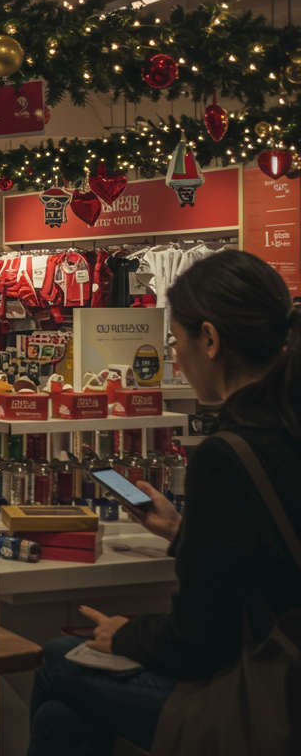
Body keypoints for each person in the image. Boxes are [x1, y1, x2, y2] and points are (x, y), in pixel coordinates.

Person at [27, 249, 301, 755]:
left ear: (211, 340)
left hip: (261, 701)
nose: (174, 357)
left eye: (176, 341)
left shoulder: (231, 452)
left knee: (59, 660)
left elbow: (198, 641)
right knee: (63, 710)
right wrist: (182, 531)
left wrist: (124, 635)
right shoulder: (284, 426)